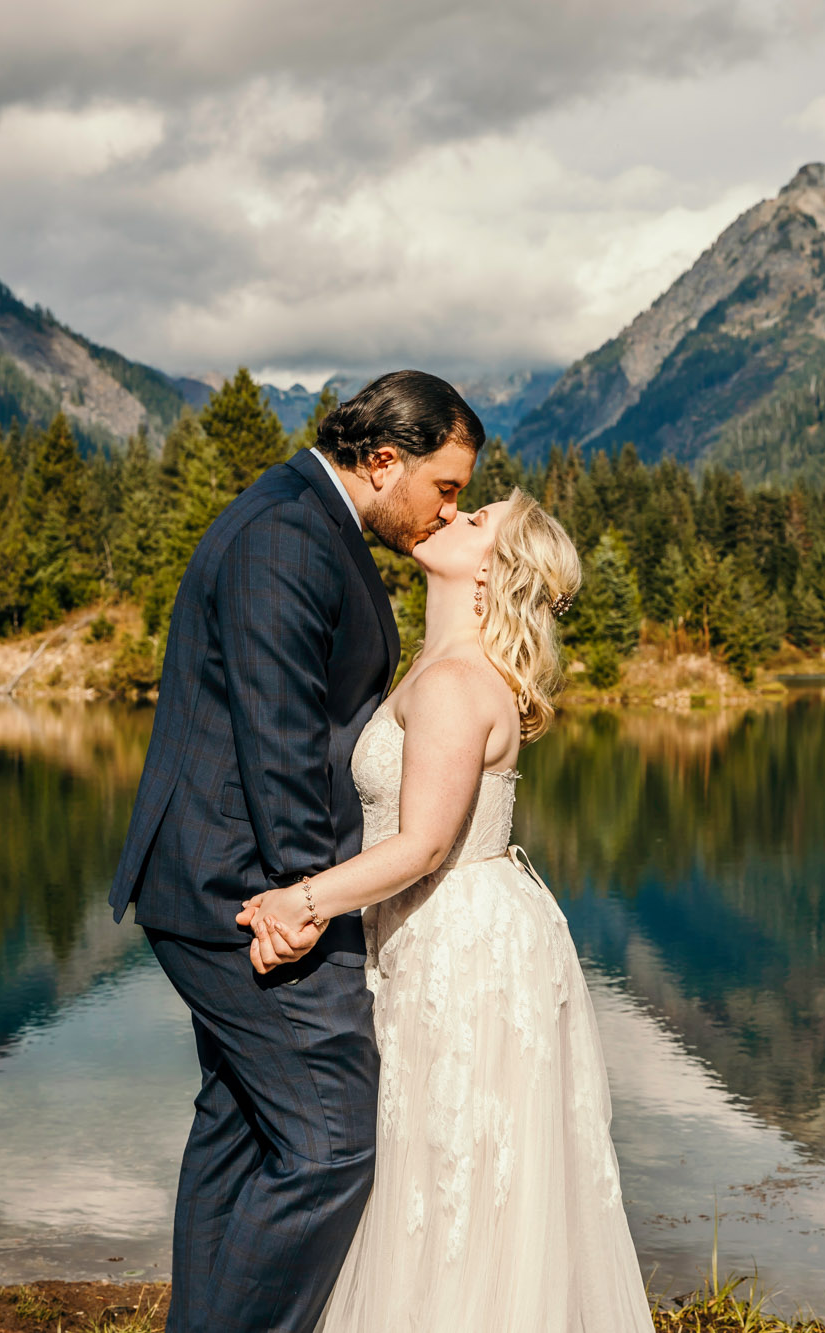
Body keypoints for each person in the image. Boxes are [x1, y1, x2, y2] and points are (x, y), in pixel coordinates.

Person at [108, 370, 482, 1333]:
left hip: (221, 884)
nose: (452, 508)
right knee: (327, 1145)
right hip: (244, 894)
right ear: (385, 459)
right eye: (444, 486)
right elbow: (278, 748)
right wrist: (303, 903)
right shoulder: (286, 535)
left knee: (240, 1130)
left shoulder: (306, 520)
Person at [240, 490, 656, 1332]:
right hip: (445, 930)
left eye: (478, 521)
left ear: (489, 575)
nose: (454, 515)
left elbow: (424, 844)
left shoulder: (456, 682)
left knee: (452, 1167)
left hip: (461, 944)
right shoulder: (436, 669)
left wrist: (300, 901)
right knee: (442, 1163)